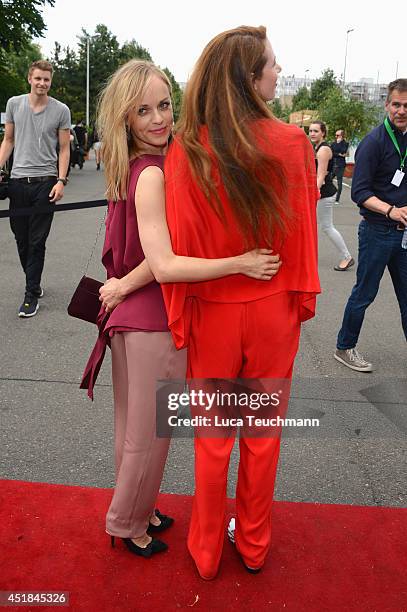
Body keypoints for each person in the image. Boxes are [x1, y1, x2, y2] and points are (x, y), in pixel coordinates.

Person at [137, 26, 320, 579]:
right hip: (272, 310)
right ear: (249, 76)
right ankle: (255, 546)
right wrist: (297, 299)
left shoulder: (187, 151)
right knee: (262, 440)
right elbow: (303, 239)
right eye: (271, 62)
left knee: (213, 440)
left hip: (214, 311)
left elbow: (181, 246)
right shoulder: (292, 143)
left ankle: (207, 550)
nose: (279, 69)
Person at [80, 59, 281, 559]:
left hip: (134, 318)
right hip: (152, 318)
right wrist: (240, 262)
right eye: (143, 110)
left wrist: (120, 285)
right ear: (125, 118)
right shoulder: (152, 173)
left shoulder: (133, 164)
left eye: (165, 105)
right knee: (149, 435)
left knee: (134, 429)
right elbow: (164, 263)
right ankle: (128, 524)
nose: (159, 118)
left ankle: (140, 510)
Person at [335, 78, 407, 372]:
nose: (402, 110)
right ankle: (345, 347)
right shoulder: (374, 142)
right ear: (387, 105)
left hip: (403, 236)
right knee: (364, 294)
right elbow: (359, 192)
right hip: (377, 231)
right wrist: (390, 210)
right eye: (397, 104)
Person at [0, 60, 71, 317]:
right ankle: (34, 280)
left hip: (46, 182)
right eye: (38, 78)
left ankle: (30, 294)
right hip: (18, 183)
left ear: (51, 82)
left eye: (47, 80)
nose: (42, 83)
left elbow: (64, 148)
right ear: (30, 78)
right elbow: (8, 140)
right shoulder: (13, 104)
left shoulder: (61, 110)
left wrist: (61, 180)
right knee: (22, 239)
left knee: (37, 241)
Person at [309, 121, 354, 271]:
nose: (312, 134)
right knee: (316, 226)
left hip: (325, 194)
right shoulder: (317, 147)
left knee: (327, 227)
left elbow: (320, 176)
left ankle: (347, 257)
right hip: (321, 193)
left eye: (316, 131)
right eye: (310, 131)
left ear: (323, 133)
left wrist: (313, 194)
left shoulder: (323, 150)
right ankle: (308, 256)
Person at [331, 129, 349, 202]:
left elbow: (343, 151)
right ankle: (329, 194)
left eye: (337, 135)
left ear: (342, 136)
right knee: (328, 180)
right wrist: (339, 154)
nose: (336, 137)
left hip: (340, 165)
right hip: (333, 164)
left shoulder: (345, 143)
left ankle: (337, 199)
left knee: (339, 182)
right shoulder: (333, 143)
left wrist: (338, 152)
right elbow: (332, 153)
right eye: (335, 135)